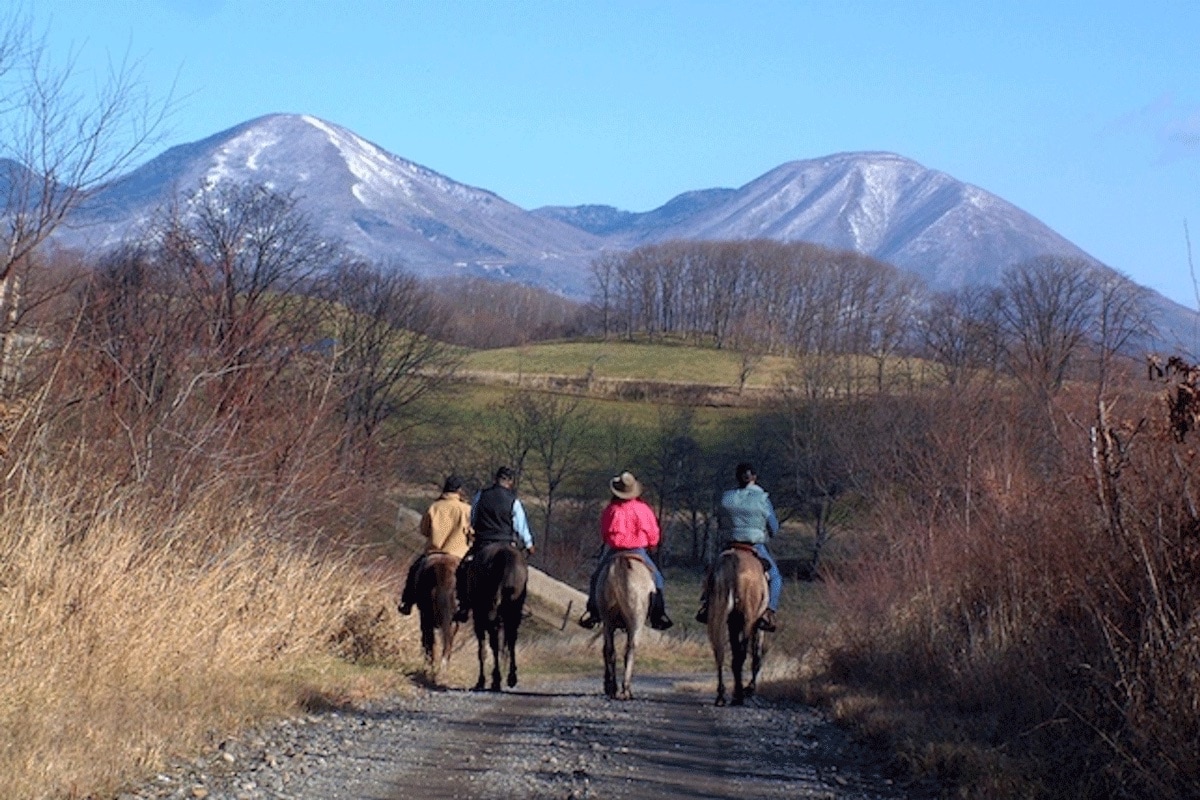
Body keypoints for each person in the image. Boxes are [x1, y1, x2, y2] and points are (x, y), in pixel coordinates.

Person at [578, 471, 673, 631]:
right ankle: (659, 615)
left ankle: (593, 612)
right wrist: (651, 544)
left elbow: (605, 534)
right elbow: (654, 535)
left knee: (596, 578)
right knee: (657, 579)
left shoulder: (611, 509)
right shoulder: (644, 509)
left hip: (614, 551)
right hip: (638, 552)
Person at [696, 462, 783, 632]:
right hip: (754, 546)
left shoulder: (726, 498)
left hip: (731, 544)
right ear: (754, 477)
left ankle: (707, 605)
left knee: (712, 572)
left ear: (737, 478)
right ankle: (768, 612)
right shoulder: (763, 499)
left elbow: (720, 523)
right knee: (776, 577)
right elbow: (774, 528)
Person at [452, 466, 535, 622]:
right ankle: (521, 603)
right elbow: (521, 526)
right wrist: (529, 543)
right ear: (510, 482)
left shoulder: (481, 495)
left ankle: (463, 605)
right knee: (521, 569)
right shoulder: (514, 501)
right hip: (506, 542)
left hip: (483, 542)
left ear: (495, 479)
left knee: (463, 567)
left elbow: (474, 518)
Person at [398, 474, 473, 615]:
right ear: (459, 490)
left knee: (414, 570)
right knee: (470, 579)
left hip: (434, 552)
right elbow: (472, 533)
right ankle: (465, 607)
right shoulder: (466, 509)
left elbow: (424, 530)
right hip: (457, 555)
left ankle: (406, 602)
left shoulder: (434, 507)